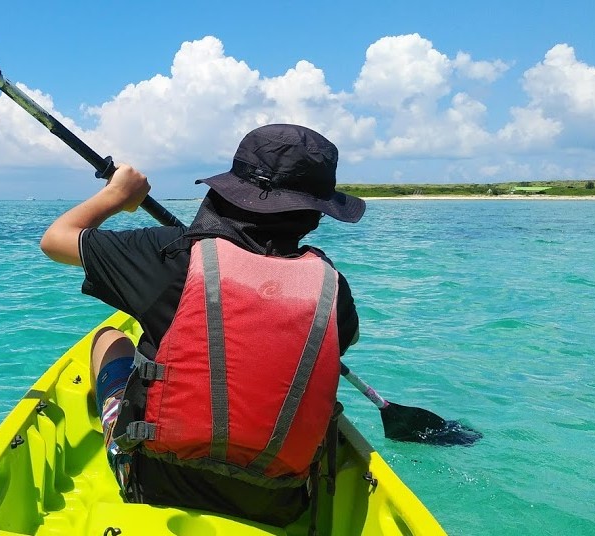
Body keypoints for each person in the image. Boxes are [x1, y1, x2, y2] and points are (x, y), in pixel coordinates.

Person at [40, 123, 364, 526]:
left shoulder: (170, 254)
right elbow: (345, 340)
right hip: (279, 500)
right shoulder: (332, 287)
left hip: (154, 481)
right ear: (315, 214)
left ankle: (116, 435)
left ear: (229, 191)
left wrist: (118, 195)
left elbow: (56, 239)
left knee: (109, 338)